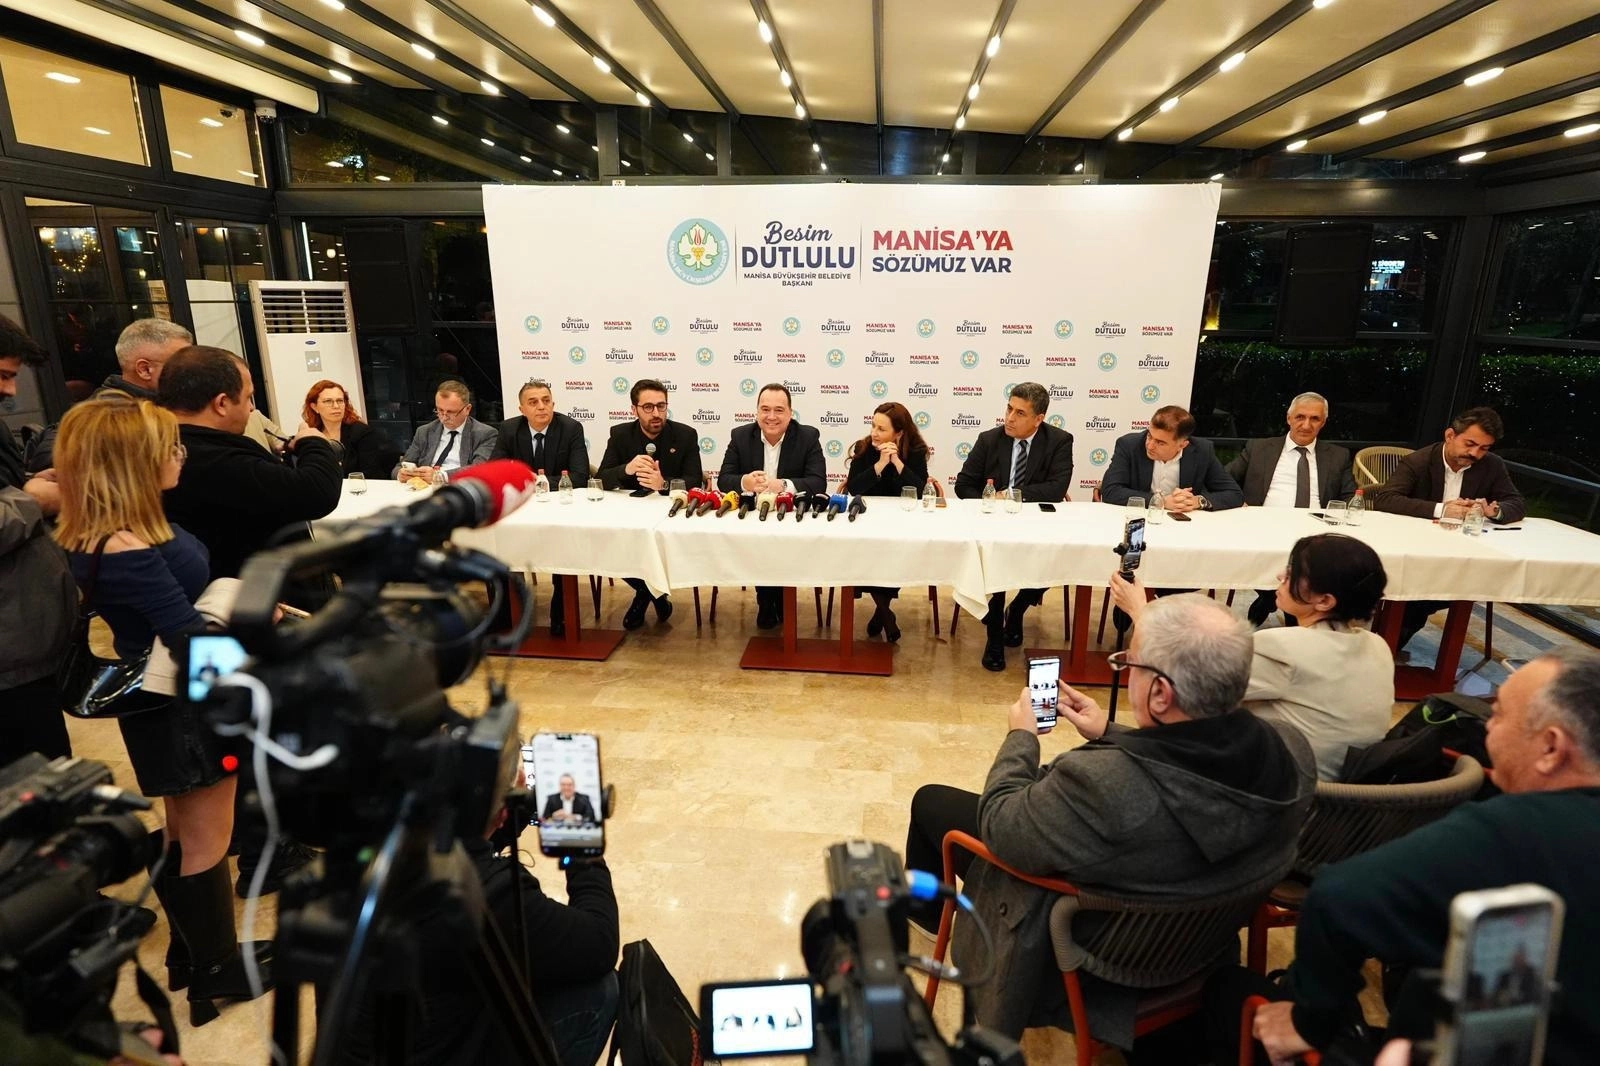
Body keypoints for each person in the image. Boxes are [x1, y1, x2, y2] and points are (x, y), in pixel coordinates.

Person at [905, 594, 1314, 1047]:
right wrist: (1110, 732)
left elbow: (1002, 826)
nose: (1126, 671)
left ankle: (925, 919)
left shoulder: (1103, 786)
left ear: (1160, 693)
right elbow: (1190, 766)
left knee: (931, 803)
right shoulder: (1291, 752)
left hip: (1092, 961)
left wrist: (1021, 737)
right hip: (1200, 945)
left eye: (1130, 663)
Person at [1245, 649, 1600, 1066]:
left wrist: (1308, 1019)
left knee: (1232, 994)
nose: (1488, 728)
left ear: (1551, 747)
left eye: (1499, 715)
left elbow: (1339, 897)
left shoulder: (1515, 831)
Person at [53, 398, 272, 1027]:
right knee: (206, 840)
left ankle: (190, 953)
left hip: (163, 699)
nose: (180, 455)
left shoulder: (108, 534)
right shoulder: (127, 547)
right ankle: (216, 969)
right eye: (168, 447)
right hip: (182, 703)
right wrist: (251, 660)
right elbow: (189, 638)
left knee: (182, 832)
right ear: (132, 461)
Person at [338, 766, 620, 1066]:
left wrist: (513, 810)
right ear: (500, 813)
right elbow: (599, 942)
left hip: (374, 1047)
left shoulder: (366, 850)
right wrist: (579, 842)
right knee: (597, 991)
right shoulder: (490, 893)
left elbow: (464, 846)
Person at [1112, 533, 1393, 781]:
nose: (1281, 576)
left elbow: (1178, 679)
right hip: (1347, 798)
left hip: (1282, 793)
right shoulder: (1377, 646)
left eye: (1293, 573)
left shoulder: (1286, 648)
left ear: (1324, 600)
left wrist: (1140, 611)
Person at [158, 346, 342, 583]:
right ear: (222, 403)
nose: (252, 408)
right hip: (257, 593)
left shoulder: (167, 444)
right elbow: (316, 492)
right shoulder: (212, 458)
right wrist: (314, 442)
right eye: (248, 398)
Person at [1368, 406, 1527, 655]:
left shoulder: (1492, 465)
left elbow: (1516, 503)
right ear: (1450, 435)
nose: (1475, 453)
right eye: (1470, 444)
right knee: (1417, 598)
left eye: (1484, 448)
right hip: (1416, 550)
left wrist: (1493, 511)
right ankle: (1382, 651)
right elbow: (1386, 499)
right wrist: (1442, 509)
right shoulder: (1419, 461)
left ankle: (1383, 651)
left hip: (1465, 554)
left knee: (1442, 593)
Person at [953, 383, 1074, 671]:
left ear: (1039, 418)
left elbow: (1057, 488)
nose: (1009, 418)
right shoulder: (989, 439)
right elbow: (963, 485)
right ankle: (994, 637)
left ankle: (1017, 608)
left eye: (1020, 413)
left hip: (1036, 523)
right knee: (995, 563)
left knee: (1058, 557)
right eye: (1009, 408)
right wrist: (989, 499)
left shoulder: (1059, 441)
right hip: (994, 525)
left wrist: (1011, 495)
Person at [1225, 393, 1358, 626]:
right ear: (1289, 418)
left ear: (1323, 422)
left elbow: (1349, 497)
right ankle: (1277, 600)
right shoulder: (1260, 448)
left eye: (1314, 419)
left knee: (1319, 565)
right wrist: (1238, 502)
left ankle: (1274, 601)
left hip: (1316, 532)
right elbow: (1224, 480)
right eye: (1300, 417)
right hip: (1262, 528)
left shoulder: (1338, 455)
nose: (1306, 425)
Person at [716, 384, 827, 630]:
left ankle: (780, 599)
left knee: (782, 546)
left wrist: (783, 485)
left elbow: (818, 482)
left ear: (790, 413)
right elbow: (724, 479)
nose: (771, 417)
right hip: (753, 517)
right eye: (765, 409)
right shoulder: (740, 436)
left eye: (779, 410)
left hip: (792, 516)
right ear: (757, 412)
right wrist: (745, 482)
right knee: (758, 543)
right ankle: (766, 600)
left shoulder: (808, 437)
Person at [25, 318, 195, 475]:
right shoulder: (104, 416)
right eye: (182, 365)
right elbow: (52, 462)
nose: (192, 372)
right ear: (144, 369)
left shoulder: (164, 404)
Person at [596, 379, 702, 630]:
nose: (656, 413)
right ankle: (653, 593)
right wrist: (627, 468)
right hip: (630, 514)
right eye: (648, 407)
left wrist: (663, 484)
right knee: (608, 545)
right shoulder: (620, 434)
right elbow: (600, 479)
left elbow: (695, 480)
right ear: (634, 409)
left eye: (661, 406)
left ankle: (644, 595)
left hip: (668, 515)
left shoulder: (685, 435)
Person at [492, 379, 592, 635]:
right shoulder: (509, 429)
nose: (541, 407)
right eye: (533, 402)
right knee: (499, 542)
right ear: (522, 409)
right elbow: (496, 471)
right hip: (521, 509)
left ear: (553, 404)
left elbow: (580, 477)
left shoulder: (570, 428)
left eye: (546, 401)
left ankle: (561, 611)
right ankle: (507, 612)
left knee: (559, 544)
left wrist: (534, 482)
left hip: (560, 509)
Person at [0, 485, 77, 765]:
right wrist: (33, 500)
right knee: (38, 776)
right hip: (11, 671)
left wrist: (24, 483)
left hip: (27, 659)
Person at [844, 401, 931, 643]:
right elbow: (854, 488)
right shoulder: (864, 448)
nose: (874, 433)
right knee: (866, 554)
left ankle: (881, 611)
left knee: (899, 554)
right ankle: (885, 613)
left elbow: (920, 492)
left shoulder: (916, 451)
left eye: (881, 429)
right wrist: (880, 464)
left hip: (902, 523)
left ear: (899, 433)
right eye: (873, 426)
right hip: (866, 521)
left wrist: (897, 462)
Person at [1098, 405, 1244, 511]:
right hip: (1140, 518)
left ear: (1182, 445)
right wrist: (1161, 501)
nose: (1150, 445)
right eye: (1149, 436)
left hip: (1183, 524)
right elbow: (1111, 491)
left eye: (1160, 443)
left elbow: (1235, 494)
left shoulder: (1202, 451)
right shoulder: (1129, 445)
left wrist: (1197, 501)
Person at [394, 380, 497, 480]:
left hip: (459, 486)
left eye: (451, 412)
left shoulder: (485, 434)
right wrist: (401, 474)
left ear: (467, 409)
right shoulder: (424, 432)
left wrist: (440, 476)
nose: (444, 417)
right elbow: (400, 466)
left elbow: (479, 469)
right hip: (424, 486)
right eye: (440, 410)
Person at [301, 379, 395, 478]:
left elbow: (371, 473)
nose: (336, 406)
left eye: (340, 401)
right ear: (314, 407)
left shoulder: (361, 432)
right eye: (328, 401)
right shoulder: (311, 434)